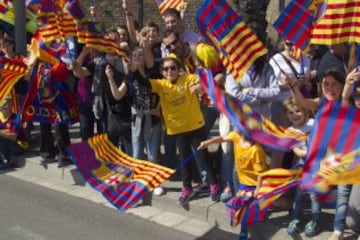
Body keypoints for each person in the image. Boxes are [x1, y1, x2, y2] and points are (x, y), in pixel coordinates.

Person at [285, 69, 351, 240]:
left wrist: (349, 83)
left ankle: (338, 231)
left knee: (342, 194)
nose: (329, 88)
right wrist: (292, 84)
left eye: (334, 84)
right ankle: (309, 219)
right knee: (309, 191)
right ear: (320, 87)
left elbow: (344, 99)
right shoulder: (320, 102)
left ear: (342, 86)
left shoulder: (345, 104)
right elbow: (300, 101)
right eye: (325, 84)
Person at [149, 57, 219, 205]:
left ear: (178, 69)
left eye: (173, 68)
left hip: (195, 126)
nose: (170, 71)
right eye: (166, 69)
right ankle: (187, 188)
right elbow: (142, 82)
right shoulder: (160, 85)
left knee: (203, 156)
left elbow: (206, 80)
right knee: (184, 158)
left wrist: (201, 86)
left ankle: (214, 185)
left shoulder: (188, 78)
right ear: (162, 72)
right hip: (178, 129)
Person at [105, 46, 164, 196]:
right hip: (136, 119)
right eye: (134, 55)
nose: (138, 58)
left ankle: (154, 182)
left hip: (154, 117)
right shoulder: (129, 77)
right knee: (137, 153)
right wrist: (110, 78)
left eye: (140, 55)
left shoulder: (153, 74)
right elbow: (118, 95)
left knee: (152, 154)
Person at [198, 130, 269, 240]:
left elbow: (261, 173)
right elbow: (222, 138)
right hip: (242, 182)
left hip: (253, 185)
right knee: (242, 207)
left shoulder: (256, 150)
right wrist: (208, 142)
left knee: (244, 209)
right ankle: (251, 218)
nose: (234, 126)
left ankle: (243, 232)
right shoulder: (236, 136)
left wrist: (257, 190)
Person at [282, 96, 320, 237]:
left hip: (317, 166)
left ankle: (314, 221)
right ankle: (295, 219)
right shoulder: (290, 131)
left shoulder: (313, 123)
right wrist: (309, 151)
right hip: (302, 167)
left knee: (314, 195)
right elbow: (296, 151)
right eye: (290, 112)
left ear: (306, 112)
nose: (294, 115)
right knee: (299, 195)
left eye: (298, 111)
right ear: (286, 115)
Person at [0, 96, 24, 170]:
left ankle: (7, 161)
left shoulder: (15, 118)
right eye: (6, 108)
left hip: (18, 144)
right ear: (1, 109)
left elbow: (13, 137)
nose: (10, 109)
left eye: (11, 106)